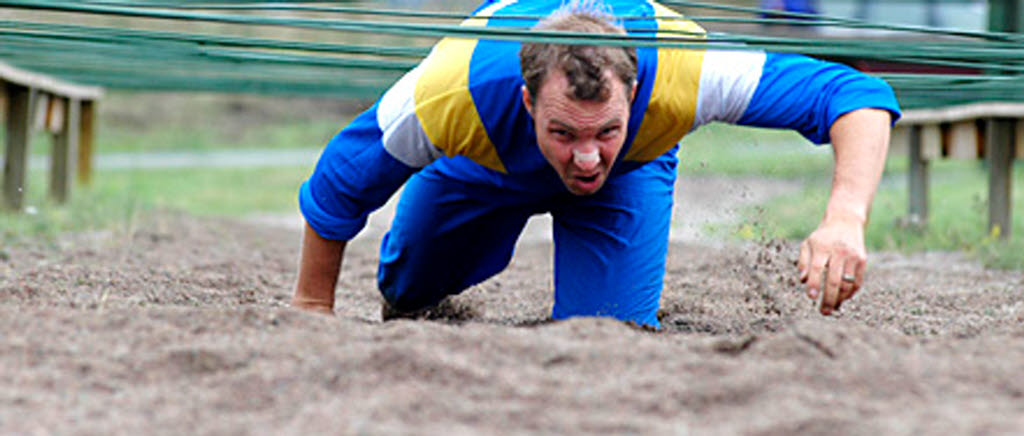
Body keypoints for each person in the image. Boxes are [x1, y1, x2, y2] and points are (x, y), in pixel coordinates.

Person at [291, 0, 901, 328]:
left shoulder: (688, 72)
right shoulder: (451, 95)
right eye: (564, 131)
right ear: (528, 99)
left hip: (630, 176)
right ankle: (437, 243)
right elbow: (340, 183)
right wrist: (312, 308)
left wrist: (845, 216)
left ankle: (605, 153)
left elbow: (854, 95)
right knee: (407, 292)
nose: (586, 157)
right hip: (485, 165)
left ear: (634, 96)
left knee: (611, 338)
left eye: (604, 129)